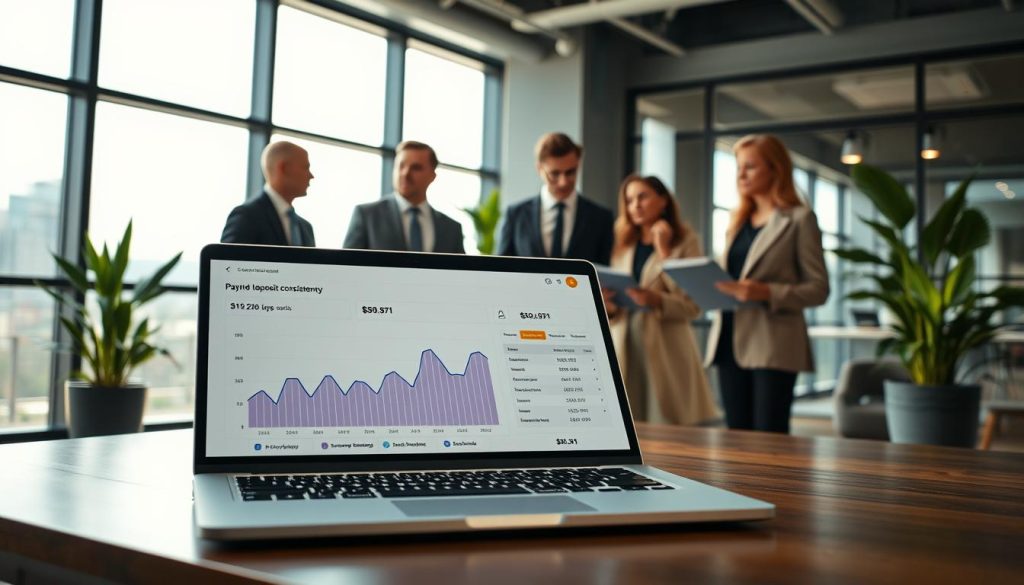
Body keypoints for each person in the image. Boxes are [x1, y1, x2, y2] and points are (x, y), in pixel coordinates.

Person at [704, 134, 829, 434]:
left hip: (773, 343)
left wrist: (766, 292)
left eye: (750, 167)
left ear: (775, 169)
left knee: (769, 439)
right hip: (728, 339)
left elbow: (819, 288)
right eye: (738, 167)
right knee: (736, 437)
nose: (740, 174)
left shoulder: (800, 219)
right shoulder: (736, 222)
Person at [602, 175, 718, 426]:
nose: (636, 205)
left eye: (642, 197)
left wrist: (664, 253)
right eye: (630, 200)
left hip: (665, 347)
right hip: (626, 343)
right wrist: (608, 304)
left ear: (663, 201)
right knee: (631, 422)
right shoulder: (622, 244)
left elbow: (692, 304)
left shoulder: (686, 241)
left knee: (668, 425)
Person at [497, 132, 613, 264]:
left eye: (570, 172)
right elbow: (501, 269)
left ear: (578, 165)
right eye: (554, 174)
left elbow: (605, 274)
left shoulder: (601, 218)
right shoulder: (516, 215)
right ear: (539, 169)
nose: (563, 182)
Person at [343, 141, 465, 253]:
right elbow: (346, 269)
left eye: (416, 168)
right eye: (401, 166)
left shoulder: (452, 229)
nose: (405, 173)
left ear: (432, 176)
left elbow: (460, 275)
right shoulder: (367, 216)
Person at [221, 141, 316, 246]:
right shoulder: (247, 217)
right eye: (306, 167)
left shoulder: (306, 228)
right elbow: (229, 262)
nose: (311, 176)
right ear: (284, 169)